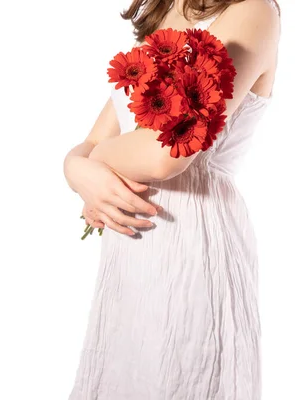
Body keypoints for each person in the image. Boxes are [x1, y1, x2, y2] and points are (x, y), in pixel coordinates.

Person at [63, 0, 281, 398]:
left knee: (183, 375)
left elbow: (166, 153)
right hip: (132, 247)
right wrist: (75, 170)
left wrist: (91, 167)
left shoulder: (253, 11)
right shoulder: (166, 10)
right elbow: (97, 138)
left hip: (192, 239)